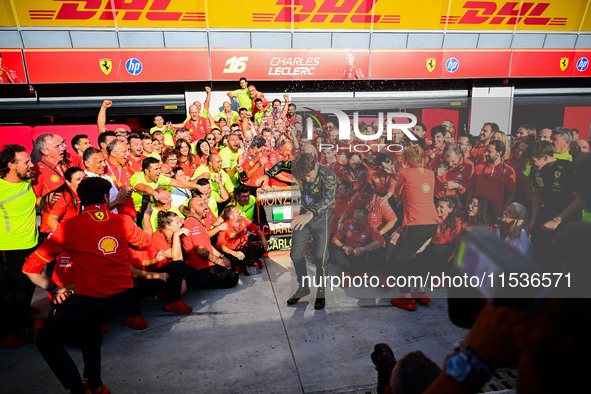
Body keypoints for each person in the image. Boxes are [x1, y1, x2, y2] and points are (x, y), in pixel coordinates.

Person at [22, 177, 152, 394]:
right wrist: (146, 216)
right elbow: (145, 241)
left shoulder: (69, 227)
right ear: (104, 197)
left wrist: (54, 289)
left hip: (92, 299)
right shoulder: (122, 221)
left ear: (80, 199)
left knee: (44, 336)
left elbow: (29, 268)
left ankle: (77, 388)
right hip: (125, 297)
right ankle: (95, 384)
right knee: (88, 328)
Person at [262, 153, 337, 310]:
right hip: (303, 215)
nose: (307, 180)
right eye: (304, 177)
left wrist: (311, 214)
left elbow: (329, 199)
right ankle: (303, 287)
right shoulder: (298, 167)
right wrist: (267, 175)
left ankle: (321, 291)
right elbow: (281, 164)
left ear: (315, 166)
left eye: (309, 176)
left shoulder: (328, 175)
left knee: (320, 257)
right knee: (295, 255)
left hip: (320, 218)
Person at [388, 145, 440, 311]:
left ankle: (406, 296)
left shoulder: (403, 173)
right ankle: (421, 292)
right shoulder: (430, 173)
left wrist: (395, 172)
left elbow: (397, 196)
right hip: (432, 223)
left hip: (415, 223)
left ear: (406, 159)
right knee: (412, 257)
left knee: (397, 260)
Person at [0, 144, 37, 349]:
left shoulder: (27, 181)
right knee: (12, 291)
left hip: (30, 243)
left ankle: (21, 315)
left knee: (29, 284)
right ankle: (5, 333)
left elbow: (29, 203)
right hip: (9, 247)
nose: (31, 164)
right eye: (26, 162)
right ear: (11, 165)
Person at [525, 141, 583, 243]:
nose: (530, 163)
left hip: (568, 220)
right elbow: (537, 192)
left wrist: (557, 220)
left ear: (546, 157)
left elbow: (579, 199)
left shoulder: (568, 168)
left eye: (532, 160)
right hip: (547, 215)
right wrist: (533, 218)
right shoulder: (536, 170)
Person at [181, 194, 238, 289]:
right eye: (201, 205)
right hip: (201, 266)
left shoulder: (197, 221)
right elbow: (201, 251)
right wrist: (220, 261)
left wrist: (221, 256)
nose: (206, 207)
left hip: (207, 262)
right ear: (192, 210)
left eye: (204, 204)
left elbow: (208, 245)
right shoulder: (193, 224)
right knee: (232, 278)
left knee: (231, 264)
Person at [331, 207, 385, 277]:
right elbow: (334, 239)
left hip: (361, 253)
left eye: (358, 220)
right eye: (354, 218)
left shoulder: (370, 227)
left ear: (365, 220)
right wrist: (343, 246)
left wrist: (362, 249)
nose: (355, 221)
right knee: (335, 252)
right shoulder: (347, 223)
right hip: (348, 251)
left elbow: (380, 241)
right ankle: (357, 273)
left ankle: (350, 273)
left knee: (374, 253)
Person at [466, 140, 515, 216]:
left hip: (495, 212)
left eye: (489, 152)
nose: (486, 154)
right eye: (486, 151)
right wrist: (467, 205)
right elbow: (471, 188)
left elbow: (511, 194)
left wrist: (504, 211)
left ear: (499, 153)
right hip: (477, 212)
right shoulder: (478, 167)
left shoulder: (509, 171)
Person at [217, 205, 269, 273]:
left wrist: (263, 238)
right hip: (232, 252)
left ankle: (248, 262)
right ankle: (246, 263)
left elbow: (256, 229)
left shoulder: (243, 219)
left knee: (262, 246)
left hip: (244, 249)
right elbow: (220, 245)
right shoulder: (224, 226)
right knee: (228, 257)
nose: (240, 212)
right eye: (237, 212)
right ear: (231, 216)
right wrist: (233, 253)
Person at [31, 133, 68, 203]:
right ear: (45, 151)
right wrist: (47, 199)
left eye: (61, 145)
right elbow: (33, 201)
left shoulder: (65, 164)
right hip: (53, 213)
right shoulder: (38, 170)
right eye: (57, 147)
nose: (63, 148)